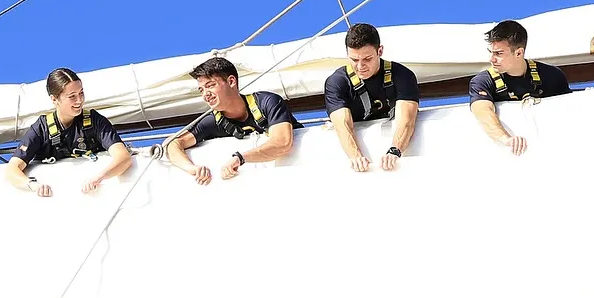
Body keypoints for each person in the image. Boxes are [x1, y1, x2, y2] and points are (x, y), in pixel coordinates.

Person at [166, 56, 299, 186]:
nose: (205, 95)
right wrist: (192, 168)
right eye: (202, 90)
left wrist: (240, 158)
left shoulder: (267, 102)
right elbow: (173, 144)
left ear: (231, 82)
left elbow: (282, 142)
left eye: (210, 85)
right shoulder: (212, 121)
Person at [6, 68, 132, 198]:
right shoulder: (41, 129)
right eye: (72, 96)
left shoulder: (95, 121)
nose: (79, 100)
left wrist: (100, 177)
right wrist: (33, 185)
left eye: (81, 93)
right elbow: (12, 169)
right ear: (54, 99)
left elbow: (123, 157)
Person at [324, 22, 420, 172]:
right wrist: (355, 156)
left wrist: (395, 150)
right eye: (354, 60)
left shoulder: (402, 76)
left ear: (380, 51)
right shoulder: (337, 82)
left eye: (367, 59)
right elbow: (341, 124)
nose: (360, 66)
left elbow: (407, 121)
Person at [468, 19, 571, 157]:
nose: (491, 59)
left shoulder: (552, 76)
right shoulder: (482, 82)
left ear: (518, 53)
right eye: (491, 52)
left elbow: (568, 112)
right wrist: (506, 139)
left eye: (498, 53)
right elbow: (481, 111)